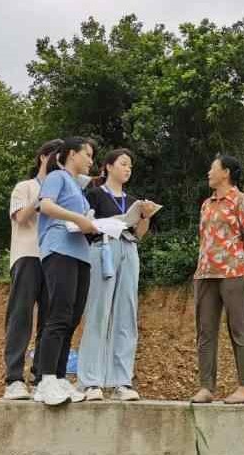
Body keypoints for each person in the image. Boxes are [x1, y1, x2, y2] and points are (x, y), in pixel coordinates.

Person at [77, 149, 157, 402]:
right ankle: (91, 381)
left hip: (129, 249)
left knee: (126, 314)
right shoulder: (94, 194)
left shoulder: (132, 200)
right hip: (103, 248)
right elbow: (85, 226)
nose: (127, 169)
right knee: (98, 312)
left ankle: (122, 380)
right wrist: (112, 220)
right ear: (109, 166)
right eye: (123, 164)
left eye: (130, 166)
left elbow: (139, 233)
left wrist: (144, 216)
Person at [33, 137, 99, 406]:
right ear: (72, 154)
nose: (91, 161)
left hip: (81, 255)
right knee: (58, 315)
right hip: (59, 250)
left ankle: (59, 377)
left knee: (72, 317)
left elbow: (82, 222)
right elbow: (45, 205)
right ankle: (45, 379)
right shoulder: (57, 177)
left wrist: (92, 224)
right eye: (88, 155)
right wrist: (78, 218)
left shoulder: (79, 190)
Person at [191, 154, 244, 404]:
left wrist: (243, 260)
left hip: (233, 272)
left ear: (226, 172)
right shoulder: (206, 204)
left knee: (239, 329)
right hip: (206, 273)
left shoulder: (241, 201)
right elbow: (203, 237)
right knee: (205, 331)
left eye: (213, 168)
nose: (209, 173)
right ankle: (206, 387)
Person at [3, 139, 63, 400]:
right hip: (27, 255)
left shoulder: (63, 189)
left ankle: (41, 379)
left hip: (54, 258)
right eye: (58, 157)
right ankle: (14, 379)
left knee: (49, 321)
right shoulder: (25, 187)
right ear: (44, 157)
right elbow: (20, 217)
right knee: (20, 316)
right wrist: (43, 197)